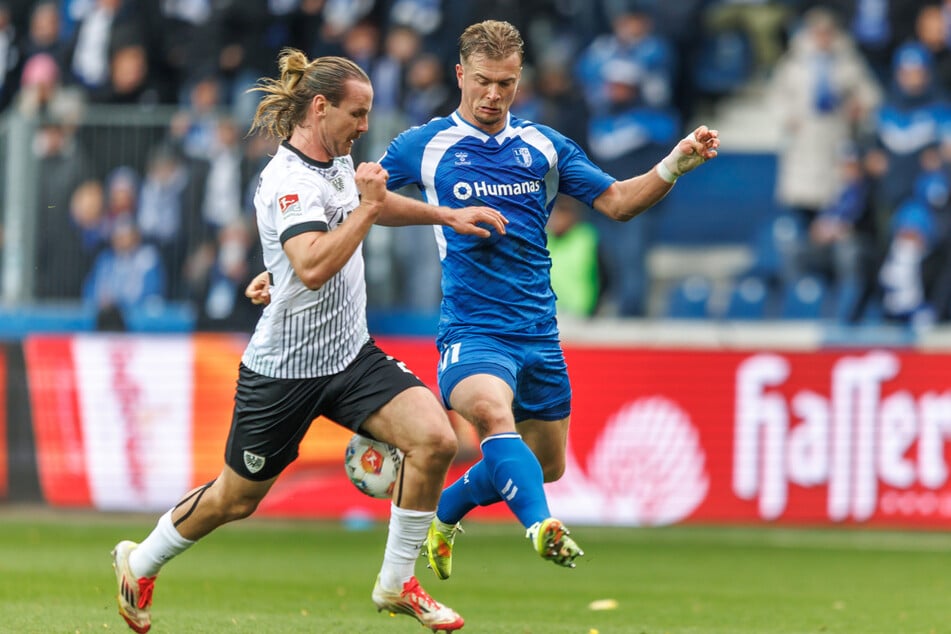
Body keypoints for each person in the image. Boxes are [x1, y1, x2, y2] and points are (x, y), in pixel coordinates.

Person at [247, 19, 718, 579]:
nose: (494, 95)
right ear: (460, 76)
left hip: (538, 331)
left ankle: (447, 511)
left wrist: (674, 165)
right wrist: (279, 271)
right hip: (471, 329)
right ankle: (542, 528)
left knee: (547, 463)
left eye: (507, 83)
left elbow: (617, 202)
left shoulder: (544, 146)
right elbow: (343, 210)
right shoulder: (423, 146)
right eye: (484, 81)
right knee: (494, 415)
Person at [111, 48, 505, 634]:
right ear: (319, 109)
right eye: (357, 114)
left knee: (434, 439)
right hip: (284, 371)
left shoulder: (336, 162)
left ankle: (398, 582)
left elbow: (360, 208)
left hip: (350, 356)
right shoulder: (287, 181)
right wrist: (362, 214)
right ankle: (139, 561)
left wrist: (444, 215)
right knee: (235, 499)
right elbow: (315, 263)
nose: (365, 127)